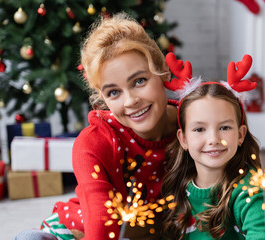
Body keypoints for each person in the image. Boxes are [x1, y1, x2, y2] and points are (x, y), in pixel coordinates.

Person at [15, 13, 177, 240]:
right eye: (114, 92)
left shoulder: (197, 125)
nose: (130, 101)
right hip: (84, 229)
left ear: (162, 71)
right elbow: (102, 216)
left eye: (139, 81)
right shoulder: (94, 142)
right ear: (102, 98)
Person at [159, 81, 265, 239]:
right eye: (199, 129)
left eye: (224, 128)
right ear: (183, 139)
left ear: (241, 135)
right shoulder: (177, 186)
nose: (213, 139)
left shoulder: (250, 191)